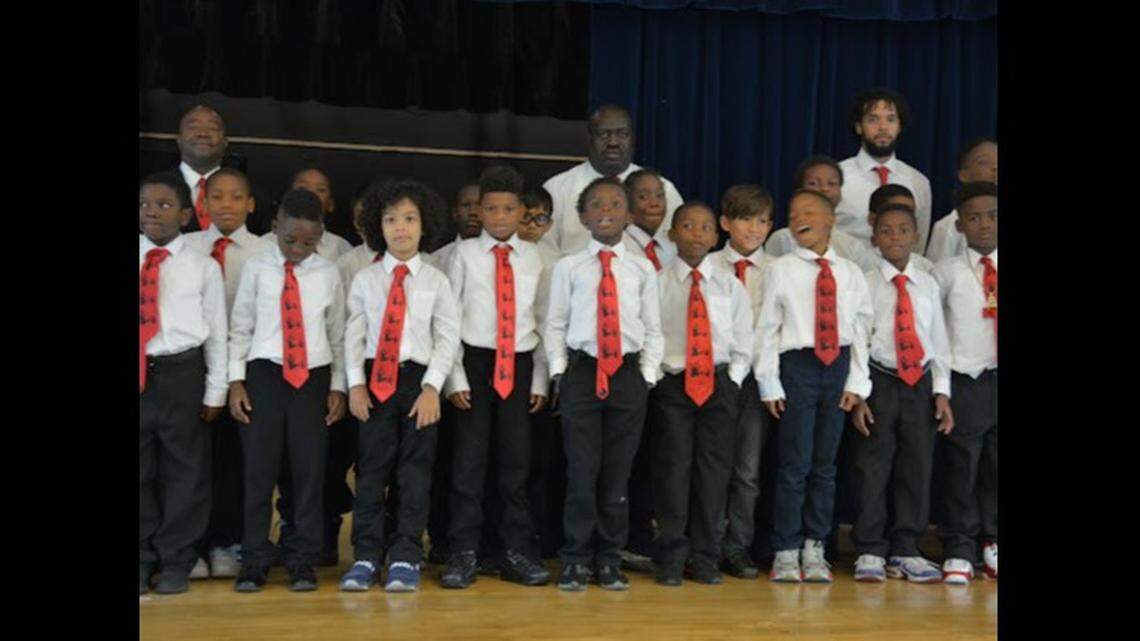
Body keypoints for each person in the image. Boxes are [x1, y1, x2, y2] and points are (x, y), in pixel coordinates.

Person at [338, 179, 461, 593]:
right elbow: (352, 337)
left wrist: (432, 388)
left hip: (417, 383)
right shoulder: (366, 280)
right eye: (391, 220)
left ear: (425, 225)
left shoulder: (435, 281)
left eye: (410, 219)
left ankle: (406, 553)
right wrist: (355, 385)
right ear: (378, 226)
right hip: (375, 381)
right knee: (371, 471)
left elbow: (447, 338)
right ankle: (367, 555)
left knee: (415, 472)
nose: (401, 228)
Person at [544, 177, 664, 591]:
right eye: (596, 204)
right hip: (582, 373)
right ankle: (577, 557)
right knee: (581, 469)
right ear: (583, 216)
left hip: (627, 376)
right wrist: (561, 371)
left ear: (629, 215)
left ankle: (609, 557)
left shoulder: (641, 268)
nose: (606, 210)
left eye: (616, 203)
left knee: (617, 473)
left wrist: (646, 376)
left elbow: (652, 327)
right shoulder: (569, 267)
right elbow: (556, 323)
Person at [228, 189, 348, 593]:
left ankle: (302, 559)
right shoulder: (257, 268)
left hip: (311, 378)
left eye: (309, 242)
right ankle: (255, 559)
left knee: (308, 472)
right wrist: (235, 382)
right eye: (289, 240)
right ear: (275, 227)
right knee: (259, 472)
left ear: (322, 235)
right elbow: (240, 326)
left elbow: (338, 334)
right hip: (264, 374)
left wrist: (337, 387)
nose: (298, 249)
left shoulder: (329, 274)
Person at [440, 166, 551, 589]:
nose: (500, 216)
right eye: (491, 208)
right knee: (469, 462)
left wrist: (540, 380)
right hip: (475, 364)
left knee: (515, 462)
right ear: (479, 211)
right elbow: (449, 319)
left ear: (522, 211)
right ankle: (464, 551)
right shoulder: (463, 255)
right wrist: (454, 377)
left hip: (519, 366)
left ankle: (515, 550)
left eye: (509, 208)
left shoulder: (536, 258)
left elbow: (541, 321)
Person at [754, 189, 872, 583]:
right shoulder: (781, 268)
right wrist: (769, 383)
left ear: (831, 221)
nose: (798, 217)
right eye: (792, 212)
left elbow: (860, 330)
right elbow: (768, 328)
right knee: (794, 464)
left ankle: (815, 545)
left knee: (825, 465)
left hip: (836, 367)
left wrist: (858, 381)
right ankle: (785, 548)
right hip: (798, 367)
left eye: (809, 211)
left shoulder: (850, 272)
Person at [848, 202, 953, 583]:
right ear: (874, 236)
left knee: (917, 465)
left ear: (916, 235)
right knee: (873, 466)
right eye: (887, 230)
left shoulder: (927, 282)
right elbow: (858, 339)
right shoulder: (866, 281)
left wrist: (941, 391)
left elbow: (938, 340)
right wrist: (858, 393)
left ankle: (906, 547)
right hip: (880, 379)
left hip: (919, 382)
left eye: (903, 230)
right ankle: (870, 548)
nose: (895, 237)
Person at [651, 202, 753, 586]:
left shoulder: (729, 284)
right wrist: (658, 376)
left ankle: (706, 554)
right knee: (674, 471)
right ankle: (672, 557)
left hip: (719, 384)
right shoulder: (658, 283)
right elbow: (651, 334)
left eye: (705, 227)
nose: (697, 233)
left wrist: (736, 377)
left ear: (716, 236)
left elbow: (744, 337)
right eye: (688, 225)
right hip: (675, 385)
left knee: (714, 473)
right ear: (671, 234)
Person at [139, 171, 228, 595]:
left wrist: (216, 389)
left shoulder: (201, 266)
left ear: (187, 214)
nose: (151, 212)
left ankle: (177, 559)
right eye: (143, 205)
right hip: (140, 370)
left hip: (182, 374)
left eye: (163, 205)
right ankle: (142, 558)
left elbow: (217, 328)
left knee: (185, 472)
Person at [183, 167, 262, 580]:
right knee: (193, 463)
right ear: (204, 203)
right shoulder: (187, 248)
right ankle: (189, 546)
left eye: (235, 197)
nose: (226, 205)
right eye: (217, 197)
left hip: (248, 373)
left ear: (250, 204)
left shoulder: (267, 251)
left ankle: (227, 542)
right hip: (195, 371)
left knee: (238, 462)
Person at [931, 182, 998, 584]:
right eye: (973, 218)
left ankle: (992, 538)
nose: (984, 224)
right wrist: (942, 387)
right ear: (959, 226)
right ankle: (958, 544)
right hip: (966, 379)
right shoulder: (947, 274)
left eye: (992, 215)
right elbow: (935, 334)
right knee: (962, 464)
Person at [708, 184, 775, 579]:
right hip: (714, 376)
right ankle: (707, 542)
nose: (755, 228)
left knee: (747, 469)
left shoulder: (778, 269)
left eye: (763, 220)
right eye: (746, 219)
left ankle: (738, 545)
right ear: (725, 223)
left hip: (755, 379)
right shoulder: (710, 265)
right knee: (712, 463)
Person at [542, 105, 683, 256]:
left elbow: (680, 249)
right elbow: (545, 253)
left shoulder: (662, 189)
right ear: (589, 139)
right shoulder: (557, 189)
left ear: (633, 139)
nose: (613, 143)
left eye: (622, 134)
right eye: (603, 134)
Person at [835, 88, 933, 252]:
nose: (883, 127)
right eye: (873, 120)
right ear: (859, 127)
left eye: (890, 119)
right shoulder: (836, 177)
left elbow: (918, 245)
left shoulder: (918, 182)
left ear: (899, 126)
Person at [766, 155, 875, 270]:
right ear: (800, 190)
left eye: (832, 183)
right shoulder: (782, 239)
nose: (824, 189)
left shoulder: (852, 247)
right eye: (813, 183)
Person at [925, 138, 998, 265]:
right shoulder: (948, 226)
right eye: (984, 162)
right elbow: (938, 275)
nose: (995, 167)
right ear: (963, 175)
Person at [175, 105, 228, 232]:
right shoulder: (150, 190)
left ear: (225, 142)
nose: (203, 134)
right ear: (179, 140)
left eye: (213, 128)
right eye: (193, 127)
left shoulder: (250, 195)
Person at [427, 182, 482, 273]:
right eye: (466, 205)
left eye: (479, 205)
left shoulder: (504, 259)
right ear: (455, 213)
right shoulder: (437, 261)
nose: (473, 212)